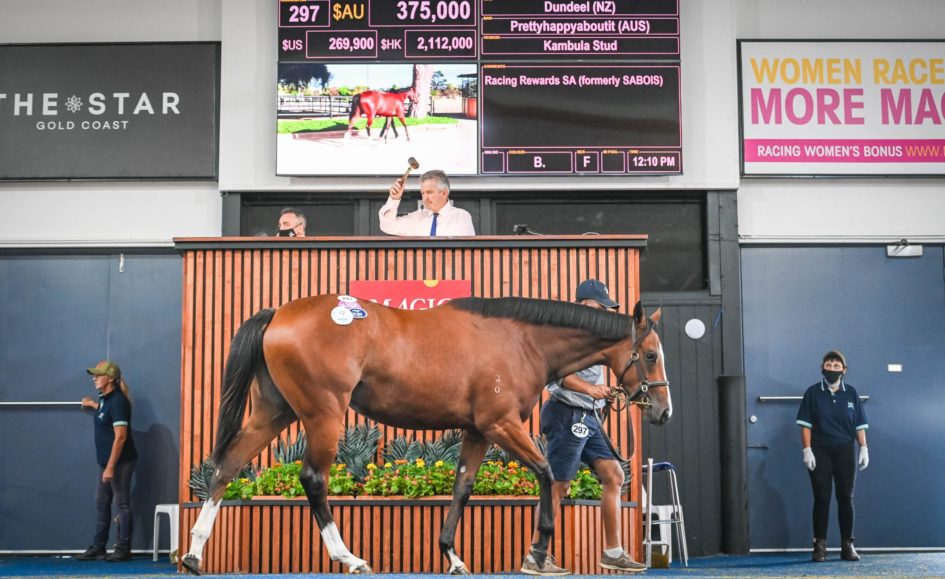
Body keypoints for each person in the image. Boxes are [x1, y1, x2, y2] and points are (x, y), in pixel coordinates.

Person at [521, 279, 646, 576]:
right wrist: (592, 391)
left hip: (587, 416)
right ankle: (537, 557)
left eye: (607, 308)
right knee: (558, 484)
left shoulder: (596, 337)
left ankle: (613, 553)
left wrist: (606, 392)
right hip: (567, 413)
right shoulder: (569, 334)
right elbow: (557, 376)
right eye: (602, 306)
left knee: (614, 475)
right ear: (586, 305)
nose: (605, 312)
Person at [796, 350, 869, 563]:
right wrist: (806, 449)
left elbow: (859, 424)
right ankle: (820, 546)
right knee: (822, 497)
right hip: (820, 450)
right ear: (822, 368)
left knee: (846, 497)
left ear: (844, 370)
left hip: (845, 449)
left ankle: (848, 545)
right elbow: (805, 425)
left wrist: (863, 446)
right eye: (829, 365)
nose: (832, 368)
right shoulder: (813, 393)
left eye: (837, 366)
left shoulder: (851, 393)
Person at [75, 360, 138, 562]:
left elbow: (120, 437)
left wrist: (110, 467)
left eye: (98, 375)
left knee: (122, 504)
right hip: (105, 461)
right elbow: (105, 414)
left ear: (110, 378)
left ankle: (123, 548)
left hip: (120, 462)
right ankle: (99, 547)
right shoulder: (105, 398)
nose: (94, 378)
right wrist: (93, 404)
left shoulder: (118, 401)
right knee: (102, 503)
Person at [379, 169, 475, 236]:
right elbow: (388, 226)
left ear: (444, 192)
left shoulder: (461, 217)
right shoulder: (416, 218)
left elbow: (464, 253)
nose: (425, 197)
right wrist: (394, 199)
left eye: (429, 192)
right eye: (423, 193)